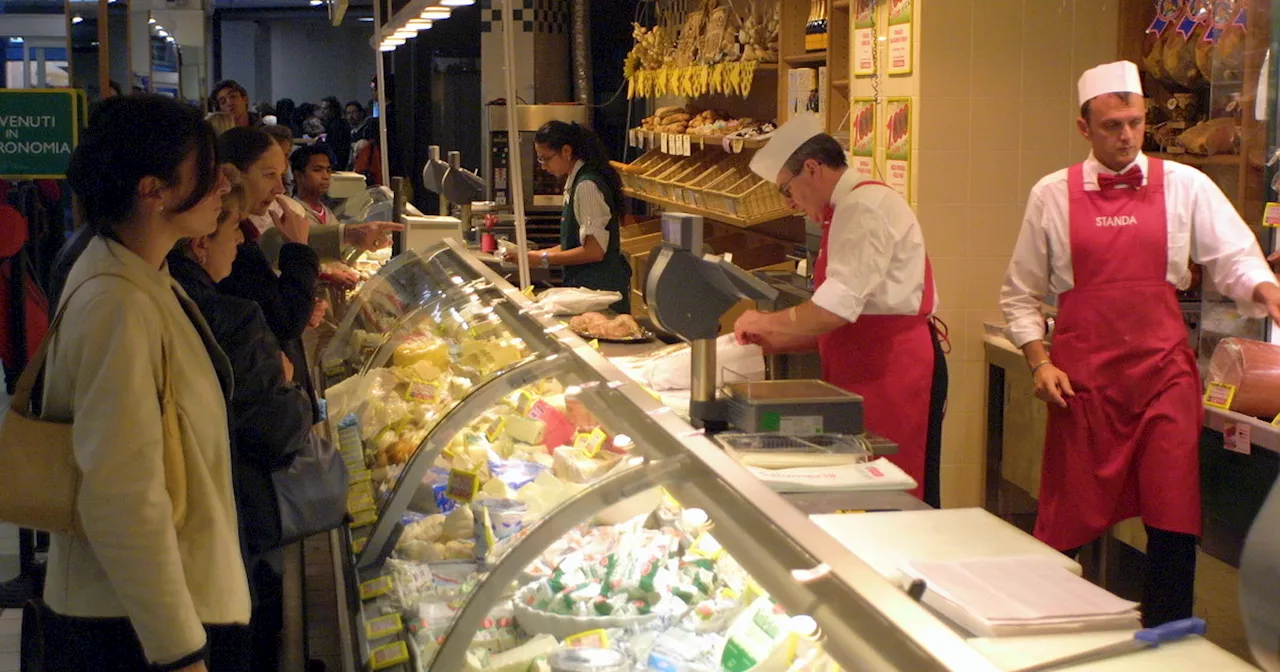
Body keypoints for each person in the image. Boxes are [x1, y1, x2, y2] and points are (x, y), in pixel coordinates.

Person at [999, 60, 1280, 627]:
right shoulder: (1050, 196)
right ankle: (1042, 632)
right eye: (1111, 126)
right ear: (1084, 128)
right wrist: (1039, 361)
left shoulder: (1186, 185)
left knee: (1173, 516)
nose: (1126, 136)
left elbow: (1233, 256)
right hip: (1084, 382)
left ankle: (1170, 637)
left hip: (1163, 376)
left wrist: (1266, 289)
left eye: (1133, 122)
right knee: (1064, 523)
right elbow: (1019, 294)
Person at [37, 94, 251, 670]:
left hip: (142, 608)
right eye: (206, 179)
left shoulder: (135, 271)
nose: (222, 192)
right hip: (134, 625)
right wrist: (180, 651)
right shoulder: (117, 303)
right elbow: (122, 495)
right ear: (153, 190)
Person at [731, 112, 947, 507]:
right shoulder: (847, 206)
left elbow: (834, 310)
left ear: (811, 169)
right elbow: (845, 314)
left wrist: (767, 320)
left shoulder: (863, 207)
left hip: (891, 369)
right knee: (861, 483)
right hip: (863, 362)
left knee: (890, 489)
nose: (791, 203)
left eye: (787, 190)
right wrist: (778, 339)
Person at [169, 176, 313, 672]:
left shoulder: (158, 291)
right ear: (200, 242)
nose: (239, 240)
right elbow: (275, 427)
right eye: (230, 229)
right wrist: (292, 389)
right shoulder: (230, 316)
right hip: (233, 520)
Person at [216, 127, 321, 414]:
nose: (280, 189)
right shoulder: (225, 240)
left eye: (281, 175)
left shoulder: (244, 232)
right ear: (233, 175)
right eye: (268, 174)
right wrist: (298, 248)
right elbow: (284, 320)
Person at [506, 120, 632, 313]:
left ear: (566, 151)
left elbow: (594, 251)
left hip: (600, 294)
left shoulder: (587, 186)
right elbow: (572, 244)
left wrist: (543, 259)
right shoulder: (575, 183)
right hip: (586, 292)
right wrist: (531, 256)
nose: (543, 166)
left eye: (545, 158)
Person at [290, 143, 337, 228]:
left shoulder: (329, 213)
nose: (326, 176)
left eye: (328, 171)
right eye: (317, 170)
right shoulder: (291, 212)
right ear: (298, 176)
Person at [319, 96, 352, 169]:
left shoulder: (338, 125)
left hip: (337, 163)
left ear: (333, 109)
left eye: (325, 109)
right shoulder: (329, 124)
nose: (322, 111)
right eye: (321, 108)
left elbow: (334, 146)